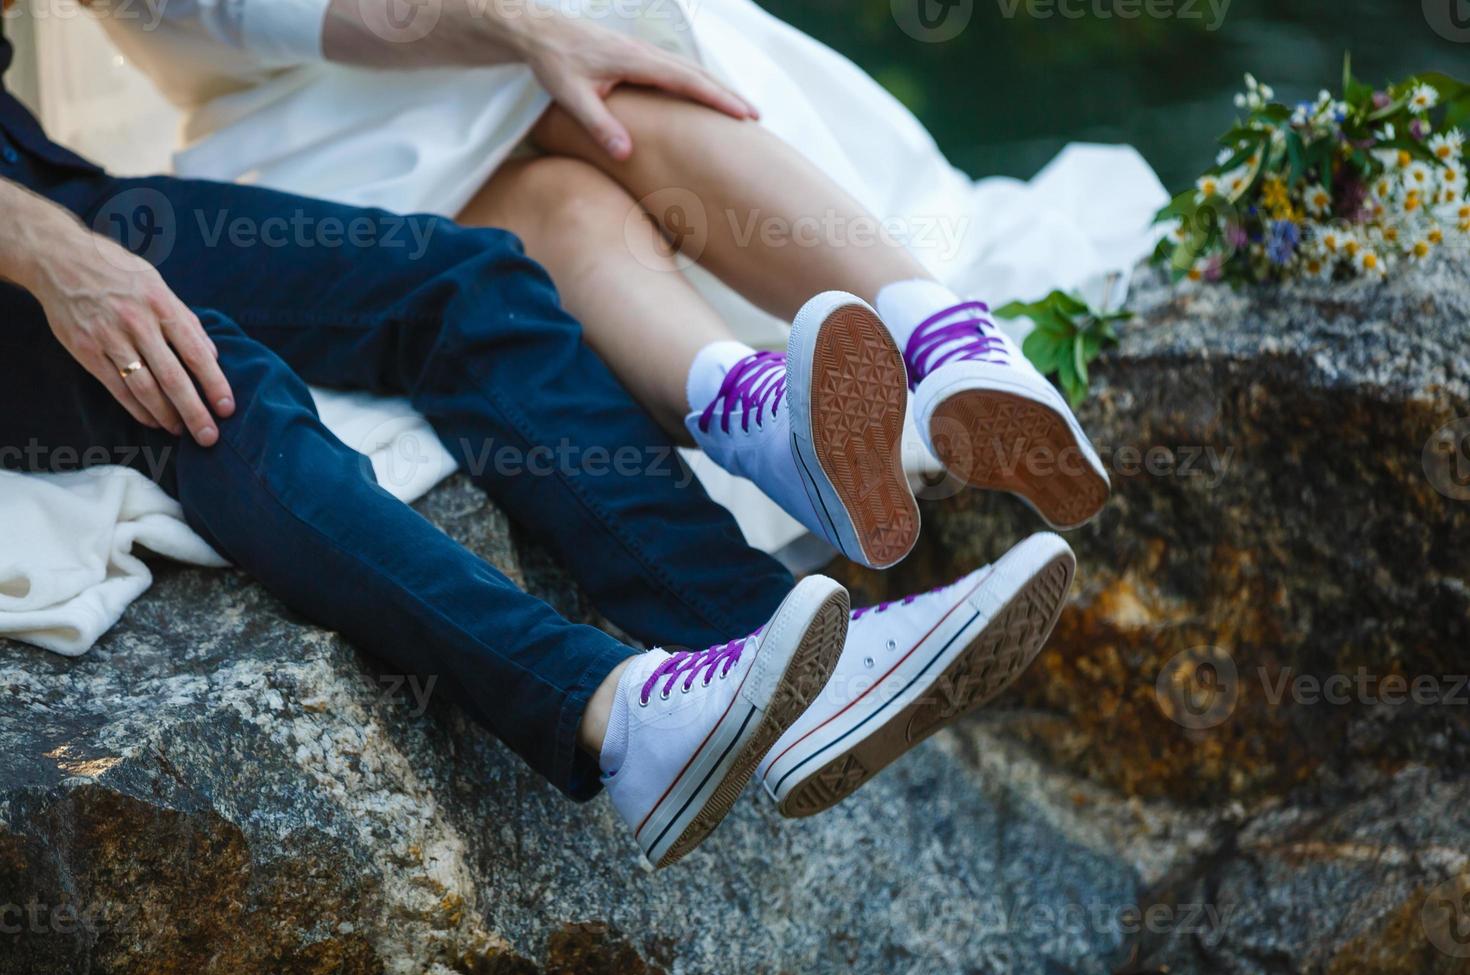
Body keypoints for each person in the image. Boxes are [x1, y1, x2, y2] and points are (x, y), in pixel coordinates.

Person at [0, 19, 1079, 866]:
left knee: (467, 281)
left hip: (42, 177)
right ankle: (618, 713)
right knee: (210, 387)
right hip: (24, 230)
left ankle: (783, 645)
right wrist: (48, 251)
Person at [89, 0, 1118, 541]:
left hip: (432, 79)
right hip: (315, 113)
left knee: (576, 106)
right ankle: (933, 337)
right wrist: (517, 26)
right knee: (560, 140)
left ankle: (769, 414)